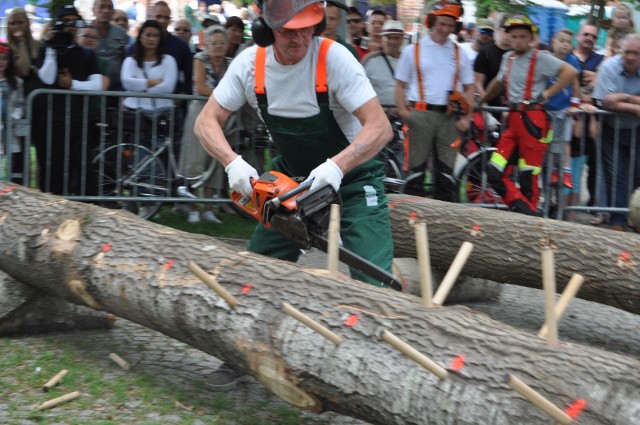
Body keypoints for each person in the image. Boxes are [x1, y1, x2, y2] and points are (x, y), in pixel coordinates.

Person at [194, 0, 393, 391]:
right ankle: (238, 356)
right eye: (289, 30)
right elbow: (206, 121)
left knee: (373, 273)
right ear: (267, 30)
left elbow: (379, 127)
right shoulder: (251, 64)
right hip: (294, 177)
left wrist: (337, 167)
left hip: (353, 173)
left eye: (307, 27)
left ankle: (380, 374)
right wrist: (232, 163)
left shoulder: (333, 59)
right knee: (258, 267)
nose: (300, 37)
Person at [479, 13, 578, 216]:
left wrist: (547, 94)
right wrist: (481, 101)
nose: (517, 40)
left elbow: (570, 71)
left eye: (523, 36)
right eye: (514, 36)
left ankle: (528, 220)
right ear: (508, 37)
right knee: (494, 171)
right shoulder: (508, 58)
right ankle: (528, 213)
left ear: (531, 38)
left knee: (528, 176)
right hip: (513, 120)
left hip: (532, 120)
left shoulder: (541, 58)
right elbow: (499, 83)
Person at [395, 0, 474, 201]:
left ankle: (444, 223)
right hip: (419, 114)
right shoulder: (413, 50)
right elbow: (400, 85)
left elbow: (469, 86)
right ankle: (412, 219)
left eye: (450, 25)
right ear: (432, 22)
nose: (446, 29)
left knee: (446, 174)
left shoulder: (459, 52)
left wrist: (467, 117)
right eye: (442, 24)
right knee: (416, 172)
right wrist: (404, 111)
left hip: (449, 117)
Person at [34, 4, 103, 195]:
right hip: (51, 121)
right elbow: (46, 78)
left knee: (82, 169)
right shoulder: (45, 50)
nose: (70, 25)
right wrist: (51, 48)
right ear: (57, 24)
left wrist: (72, 85)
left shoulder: (86, 54)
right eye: (65, 21)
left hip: (79, 121)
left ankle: (84, 209)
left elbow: (97, 84)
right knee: (52, 169)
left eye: (74, 21)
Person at [178, 25, 232, 224]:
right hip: (199, 113)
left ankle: (208, 208)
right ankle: (193, 208)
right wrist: (225, 94)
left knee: (215, 160)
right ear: (206, 44)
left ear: (227, 45)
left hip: (220, 115)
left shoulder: (230, 63)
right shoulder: (199, 59)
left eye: (221, 43)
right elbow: (200, 87)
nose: (218, 46)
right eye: (214, 43)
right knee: (195, 160)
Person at [592, 33, 640, 231]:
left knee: (637, 175)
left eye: (636, 53)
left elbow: (614, 100)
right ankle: (618, 220)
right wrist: (635, 105)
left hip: (637, 130)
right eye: (627, 52)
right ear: (621, 52)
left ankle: (634, 217)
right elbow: (605, 101)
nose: (630, 57)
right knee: (617, 175)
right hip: (611, 130)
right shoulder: (609, 67)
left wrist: (622, 97)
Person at [544, 29, 582, 212]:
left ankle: (565, 171)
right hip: (547, 109)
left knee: (564, 141)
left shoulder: (572, 61)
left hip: (563, 109)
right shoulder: (546, 59)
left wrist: (574, 105)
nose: (565, 44)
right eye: (561, 40)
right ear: (554, 42)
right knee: (549, 142)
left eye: (568, 41)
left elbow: (575, 84)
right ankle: (551, 171)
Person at [572, 23, 605, 224]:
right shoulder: (570, 56)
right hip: (573, 118)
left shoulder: (600, 60)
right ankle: (565, 201)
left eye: (593, 36)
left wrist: (597, 77)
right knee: (570, 163)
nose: (589, 38)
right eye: (585, 34)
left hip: (593, 118)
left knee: (595, 163)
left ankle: (593, 202)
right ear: (578, 35)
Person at [120, 20, 177, 117]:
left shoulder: (169, 60)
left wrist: (139, 87)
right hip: (133, 112)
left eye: (156, 36)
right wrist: (153, 82)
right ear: (141, 37)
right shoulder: (130, 61)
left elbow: (168, 87)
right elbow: (127, 83)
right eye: (148, 35)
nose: (152, 39)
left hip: (162, 113)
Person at [474, 14, 511, 114]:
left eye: (512, 31)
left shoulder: (516, 54)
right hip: (488, 106)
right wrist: (485, 105)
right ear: (499, 30)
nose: (509, 34)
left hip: (509, 108)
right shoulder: (486, 52)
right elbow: (478, 83)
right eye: (506, 30)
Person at [362, 20, 404, 108]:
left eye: (396, 38)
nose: (392, 42)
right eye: (388, 37)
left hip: (403, 113)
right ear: (382, 39)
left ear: (402, 39)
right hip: (378, 113)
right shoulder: (370, 60)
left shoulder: (408, 60)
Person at [0, 43, 26, 184]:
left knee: (10, 161)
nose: (0, 61)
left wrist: (13, 119)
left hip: (10, 128)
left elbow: (20, 104)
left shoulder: (16, 82)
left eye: (4, 58)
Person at [92, 0, 128, 92]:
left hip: (115, 89)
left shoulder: (121, 33)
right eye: (101, 7)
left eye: (109, 7)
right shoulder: (85, 32)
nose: (105, 11)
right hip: (91, 88)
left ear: (113, 12)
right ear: (93, 10)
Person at [6, 8, 40, 93]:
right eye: (12, 24)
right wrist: (21, 42)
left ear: (27, 23)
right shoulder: (6, 48)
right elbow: (23, 71)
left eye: (20, 22)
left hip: (36, 93)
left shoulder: (37, 45)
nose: (17, 26)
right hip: (17, 96)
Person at [76, 25, 111, 90]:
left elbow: (103, 86)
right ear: (76, 38)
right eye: (86, 36)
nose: (90, 40)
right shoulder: (71, 58)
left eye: (94, 37)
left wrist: (70, 84)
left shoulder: (103, 62)